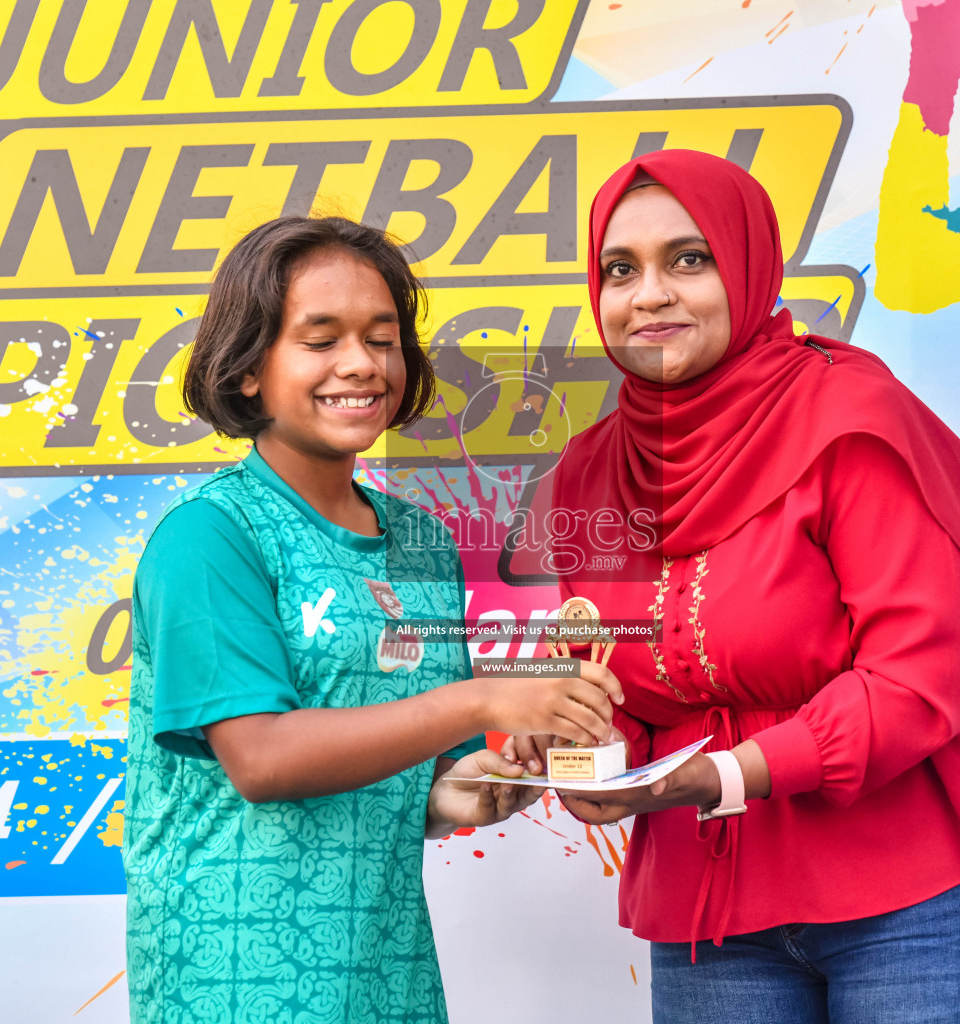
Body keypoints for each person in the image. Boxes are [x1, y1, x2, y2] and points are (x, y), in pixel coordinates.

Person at [512, 150, 960, 1022]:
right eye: (621, 270)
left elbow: (919, 683)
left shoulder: (848, 420)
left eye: (689, 259)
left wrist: (719, 777)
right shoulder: (588, 475)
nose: (649, 294)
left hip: (913, 904)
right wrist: (579, 759)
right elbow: (604, 683)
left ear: (750, 264)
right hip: (709, 921)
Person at [121, 215, 624, 1024]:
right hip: (237, 990)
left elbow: (423, 778)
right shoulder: (210, 537)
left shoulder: (422, 542)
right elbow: (262, 761)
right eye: (320, 340)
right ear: (248, 368)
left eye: (382, 338)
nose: (360, 364)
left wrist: (483, 783)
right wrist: (483, 703)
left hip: (388, 982)